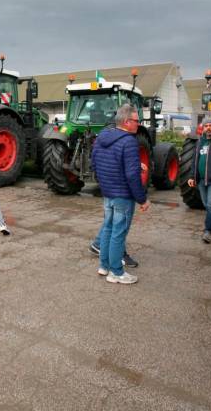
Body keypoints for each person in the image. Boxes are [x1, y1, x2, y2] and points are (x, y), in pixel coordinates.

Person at [91, 103, 151, 285]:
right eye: (136, 121)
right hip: (123, 196)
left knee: (109, 230)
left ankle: (104, 266)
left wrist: (106, 183)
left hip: (108, 193)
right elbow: (132, 176)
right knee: (118, 233)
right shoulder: (129, 142)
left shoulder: (102, 137)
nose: (138, 124)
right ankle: (116, 272)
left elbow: (95, 164)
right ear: (126, 121)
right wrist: (142, 199)